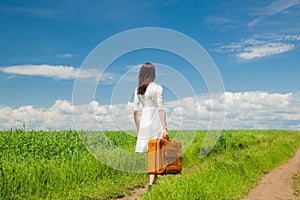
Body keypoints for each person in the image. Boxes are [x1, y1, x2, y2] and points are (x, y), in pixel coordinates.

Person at [133, 62, 168, 188]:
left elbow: (135, 111)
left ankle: (154, 179)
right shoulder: (157, 87)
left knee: (152, 151)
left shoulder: (138, 89)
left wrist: (138, 127)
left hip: (144, 120)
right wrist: (164, 128)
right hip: (155, 119)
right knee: (156, 150)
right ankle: (152, 181)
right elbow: (161, 108)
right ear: (153, 73)